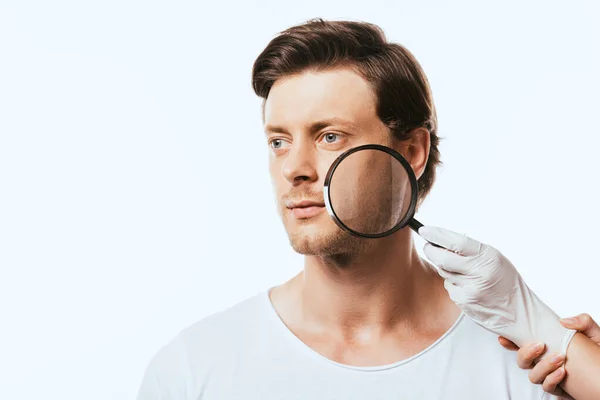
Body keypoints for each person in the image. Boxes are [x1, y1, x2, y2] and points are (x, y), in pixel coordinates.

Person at [136, 19, 596, 399]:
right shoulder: (192, 371)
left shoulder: (537, 368)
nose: (294, 169)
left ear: (413, 151)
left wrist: (558, 339)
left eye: (329, 136)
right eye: (278, 141)